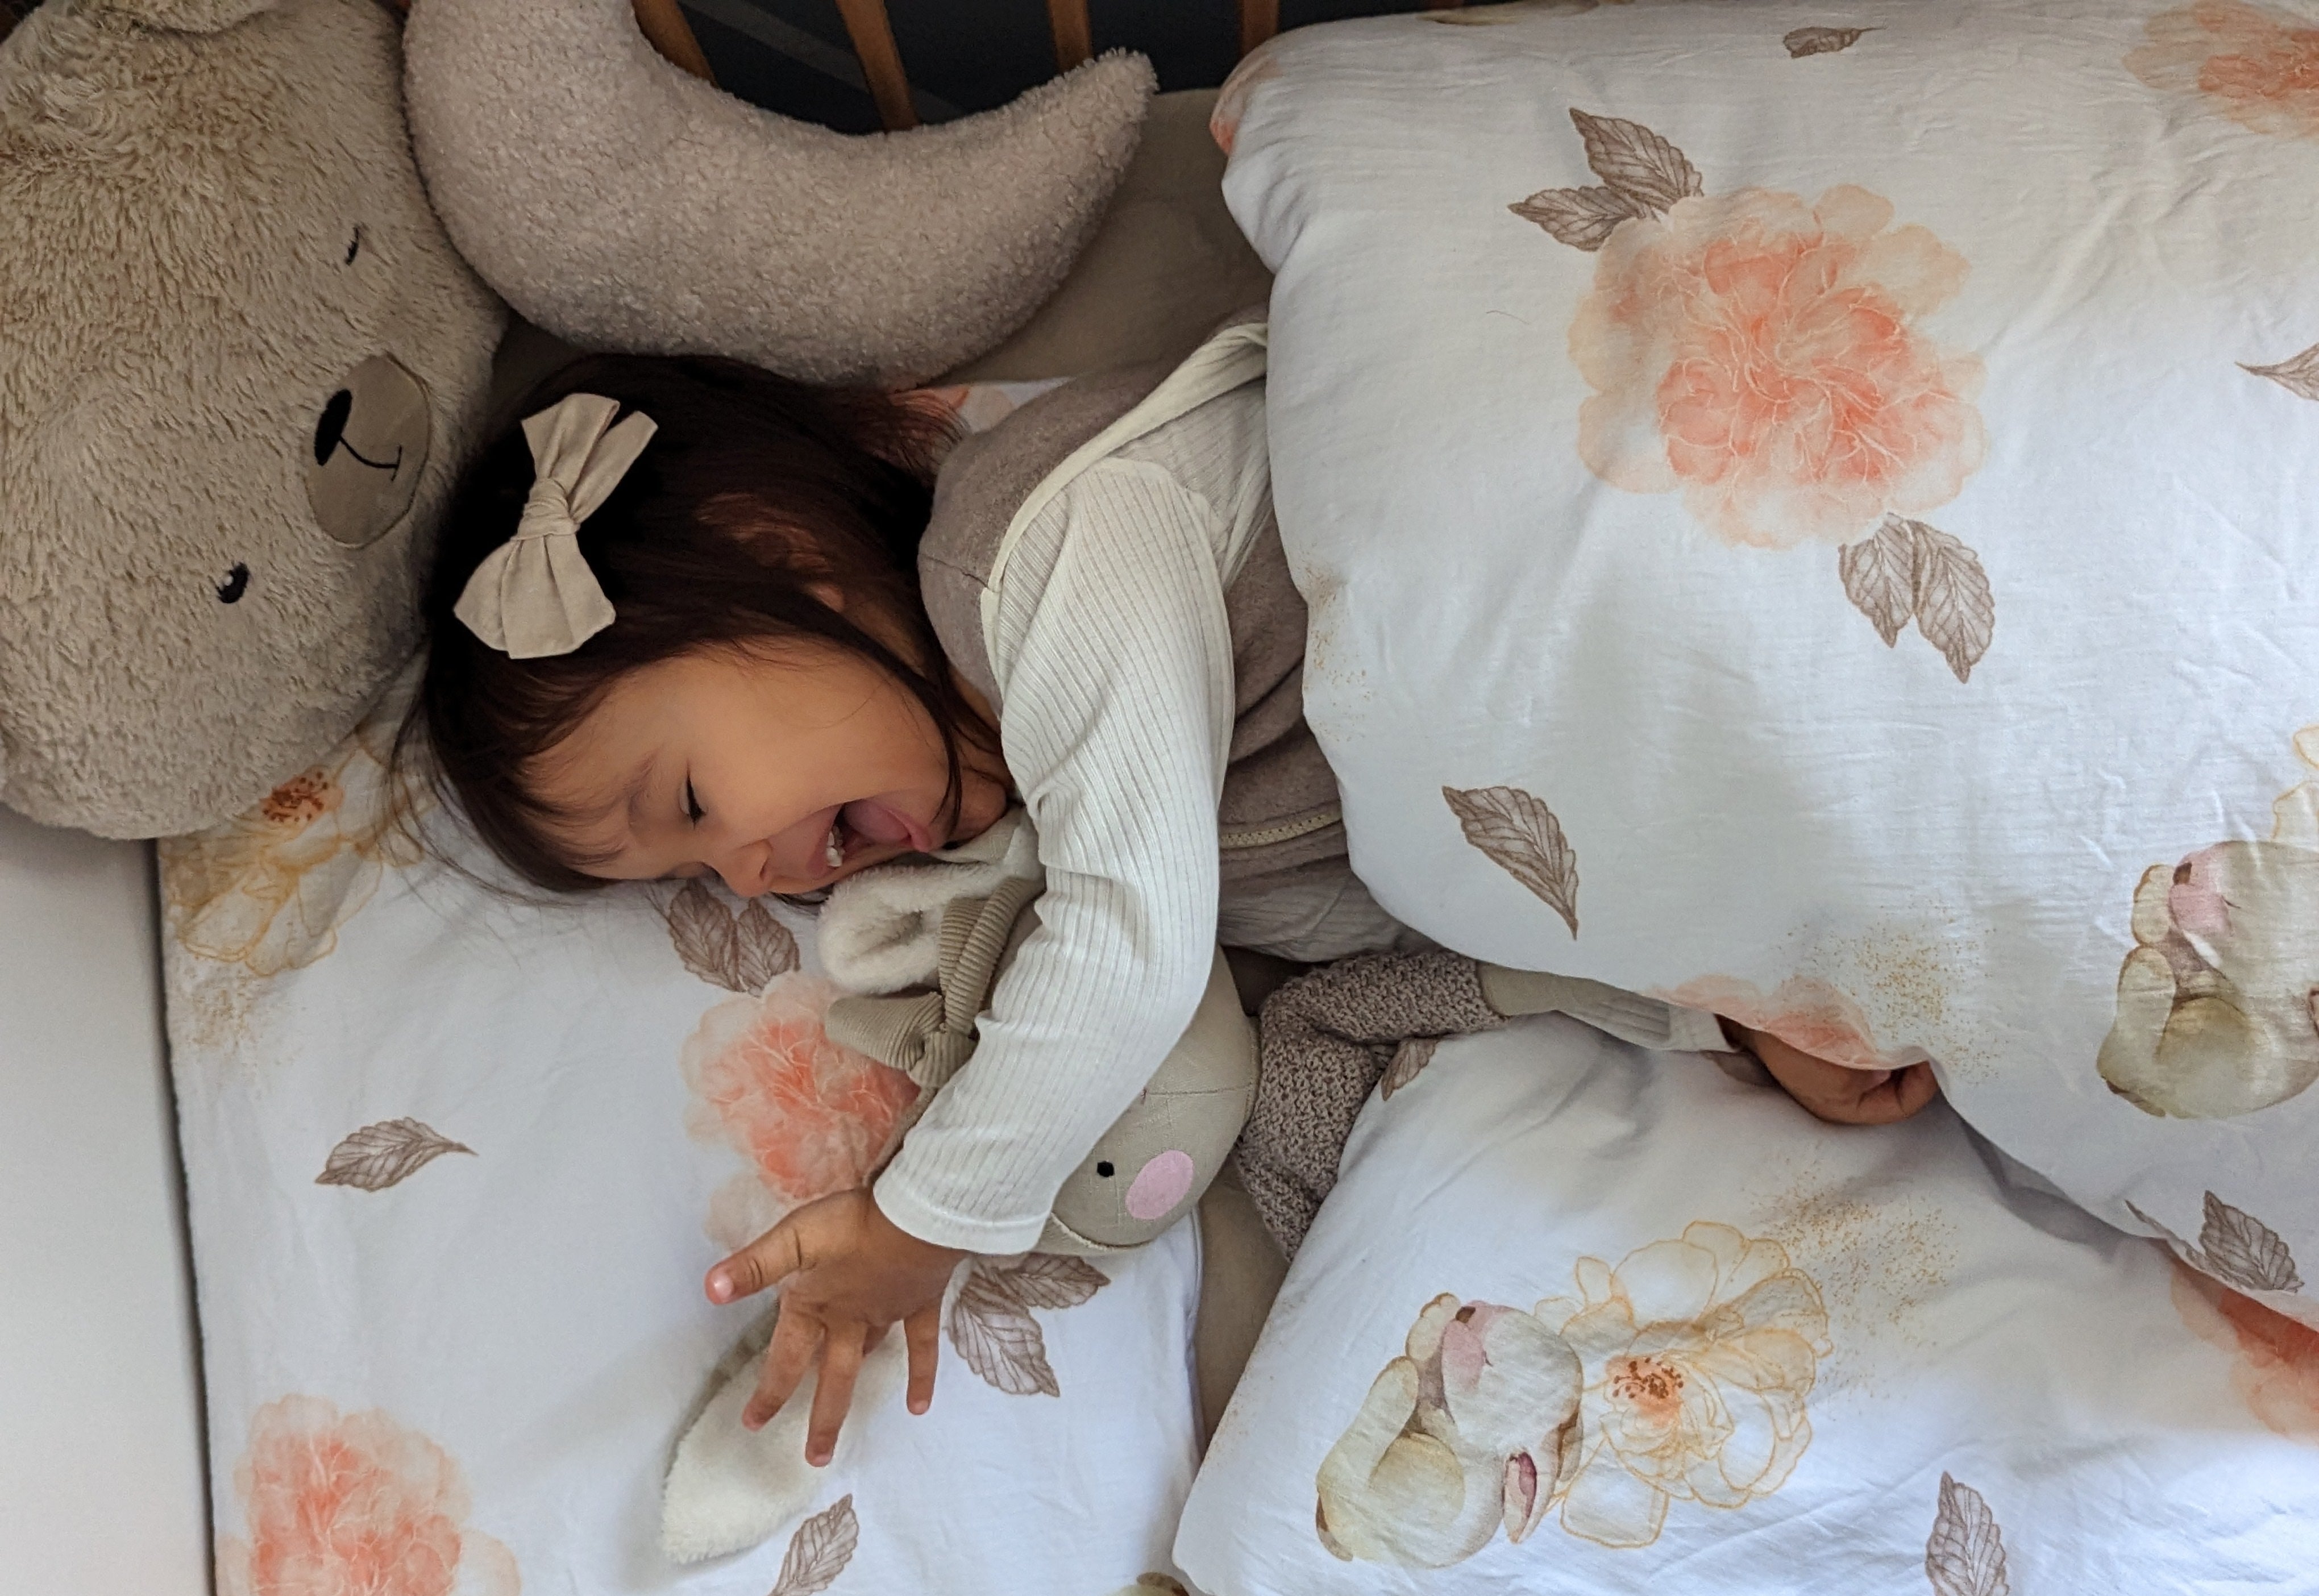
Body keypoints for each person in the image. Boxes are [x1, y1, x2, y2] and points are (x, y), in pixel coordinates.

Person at [403, 321, 1936, 1467]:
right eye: (692, 877)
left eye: (688, 804)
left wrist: (922, 1223)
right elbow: (1463, 900)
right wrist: (1729, 1003)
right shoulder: (1037, 818)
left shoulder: (1037, 539)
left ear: (776, 551)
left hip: (1650, 590)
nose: (750, 877)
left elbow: (1131, 945)